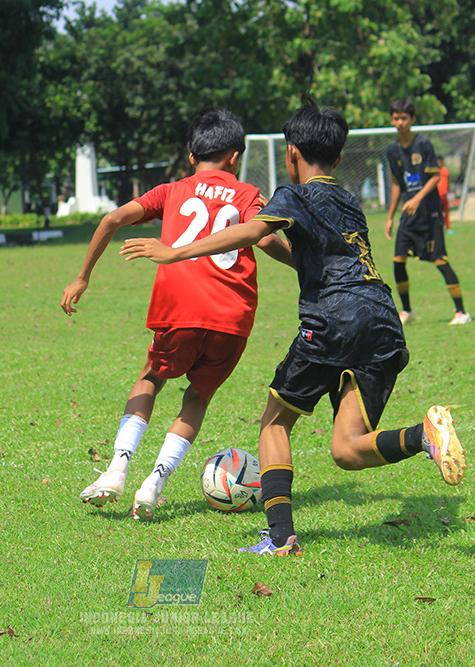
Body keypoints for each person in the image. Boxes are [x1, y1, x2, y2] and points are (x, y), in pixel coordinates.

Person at [121, 101, 467, 556]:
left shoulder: (295, 194)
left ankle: (281, 537)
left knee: (274, 421)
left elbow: (250, 232)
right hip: (381, 321)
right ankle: (424, 436)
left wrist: (175, 252)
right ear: (339, 159)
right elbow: (296, 250)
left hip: (333, 320)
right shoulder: (347, 199)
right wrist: (282, 245)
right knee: (346, 450)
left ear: (291, 153)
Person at [61, 108, 292, 519]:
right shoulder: (247, 194)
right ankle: (155, 484)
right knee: (198, 397)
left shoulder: (171, 191)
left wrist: (82, 277)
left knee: (151, 377)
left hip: (179, 311)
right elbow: (267, 241)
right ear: (235, 158)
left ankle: (117, 469)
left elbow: (113, 218)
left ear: (191, 156)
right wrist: (308, 267)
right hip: (233, 318)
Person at [383, 99, 471, 325]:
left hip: (429, 214)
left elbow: (436, 176)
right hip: (408, 215)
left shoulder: (423, 144)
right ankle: (407, 311)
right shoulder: (392, 150)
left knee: (440, 261)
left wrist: (417, 198)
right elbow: (396, 184)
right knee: (398, 260)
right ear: (391, 119)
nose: (400, 122)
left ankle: (462, 312)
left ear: (412, 120)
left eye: (404, 118)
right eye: (396, 118)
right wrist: (390, 216)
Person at [437, 157, 452, 233]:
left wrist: (449, 191)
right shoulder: (435, 171)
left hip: (444, 195)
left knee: (446, 212)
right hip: (437, 196)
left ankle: (448, 228)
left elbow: (448, 181)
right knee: (437, 213)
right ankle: (438, 227)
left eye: (440, 162)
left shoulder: (445, 170)